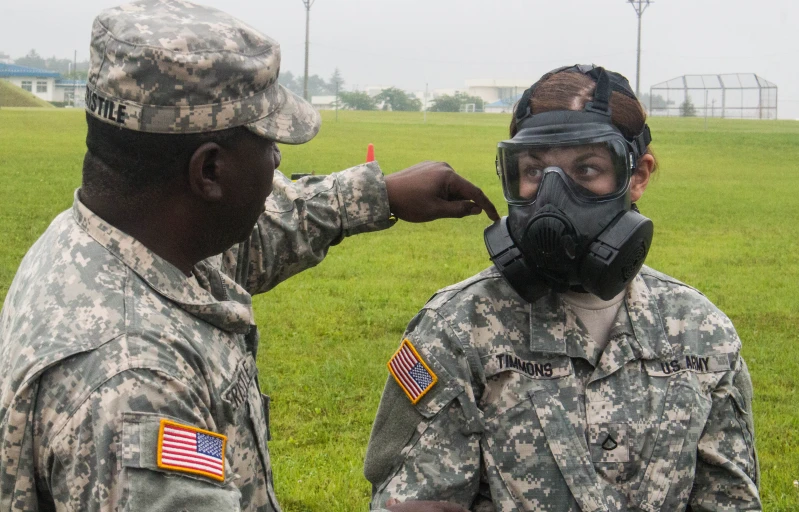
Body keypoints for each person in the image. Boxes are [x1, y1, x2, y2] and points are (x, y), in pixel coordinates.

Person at [0, 1, 497, 511]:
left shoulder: (112, 240)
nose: (278, 158)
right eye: (268, 142)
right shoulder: (133, 384)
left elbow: (259, 235)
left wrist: (380, 194)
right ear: (209, 172)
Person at [365, 65, 761, 511]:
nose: (553, 196)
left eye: (587, 168)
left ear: (638, 175)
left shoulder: (701, 331)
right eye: (533, 171)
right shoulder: (456, 330)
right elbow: (415, 502)